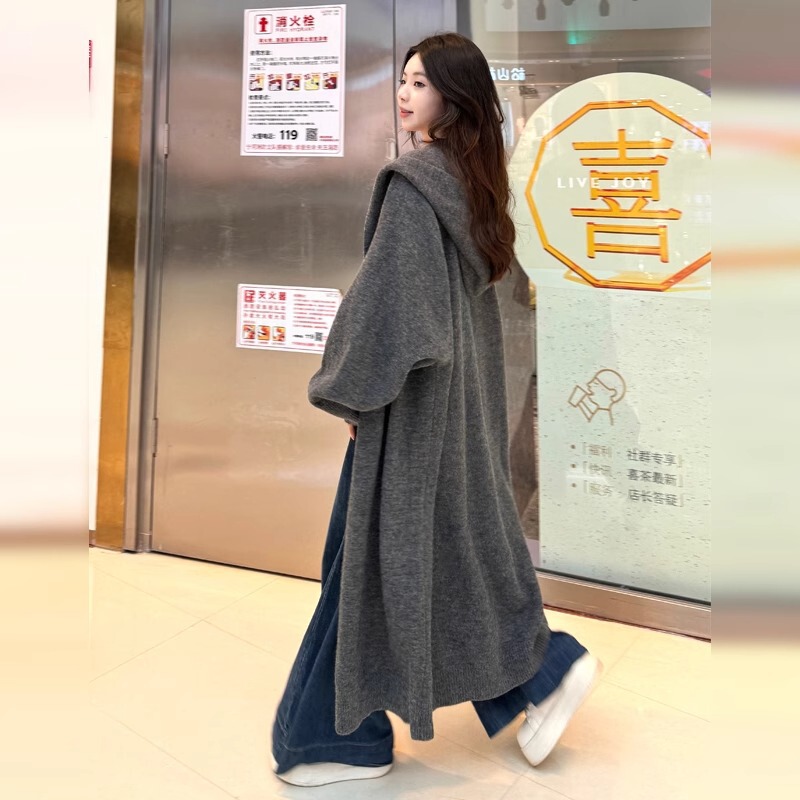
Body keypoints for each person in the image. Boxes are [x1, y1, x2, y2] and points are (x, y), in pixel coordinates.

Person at [271, 32, 601, 788]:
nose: (404, 92)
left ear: (455, 96)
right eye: (404, 78)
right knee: (439, 552)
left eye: (421, 82)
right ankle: (540, 673)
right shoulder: (471, 183)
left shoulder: (415, 184)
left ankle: (332, 739)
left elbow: (391, 306)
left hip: (413, 413)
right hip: (457, 407)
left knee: (367, 563)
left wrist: (348, 389)